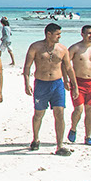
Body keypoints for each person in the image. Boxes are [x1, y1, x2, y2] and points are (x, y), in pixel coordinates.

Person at [22, 23, 76, 156]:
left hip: (57, 84)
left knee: (59, 113)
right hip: (41, 84)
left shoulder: (62, 49)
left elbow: (68, 68)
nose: (59, 36)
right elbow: (27, 66)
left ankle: (60, 145)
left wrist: (74, 86)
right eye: (57, 34)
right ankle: (35, 139)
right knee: (39, 114)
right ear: (49, 34)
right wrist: (26, 83)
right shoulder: (36, 47)